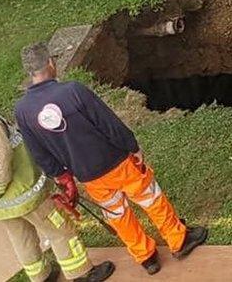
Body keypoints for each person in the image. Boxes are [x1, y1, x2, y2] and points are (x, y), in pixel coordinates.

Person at [14, 42, 207, 276]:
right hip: (116, 162)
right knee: (150, 198)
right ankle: (179, 240)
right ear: (51, 64)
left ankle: (146, 258)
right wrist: (132, 145)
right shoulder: (73, 90)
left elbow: (37, 150)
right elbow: (108, 122)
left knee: (117, 214)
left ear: (29, 72)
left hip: (87, 175)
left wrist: (62, 175)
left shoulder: (23, 110)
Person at [0, 67, 115, 282]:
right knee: (60, 230)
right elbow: (1, 161)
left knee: (21, 239)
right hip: (25, 196)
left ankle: (41, 277)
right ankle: (81, 274)